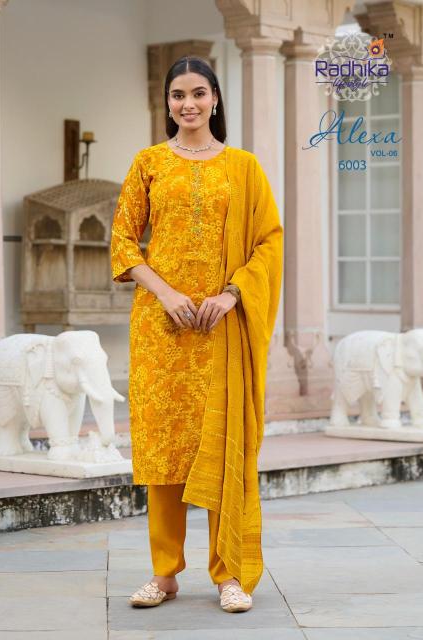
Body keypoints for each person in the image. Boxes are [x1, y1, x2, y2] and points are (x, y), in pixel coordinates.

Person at [110, 55, 283, 613]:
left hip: (221, 329)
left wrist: (231, 295)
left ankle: (228, 573)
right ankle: (164, 574)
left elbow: (269, 241)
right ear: (167, 104)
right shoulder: (148, 163)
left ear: (215, 100)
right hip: (160, 329)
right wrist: (166, 293)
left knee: (223, 445)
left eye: (198, 93)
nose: (188, 104)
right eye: (178, 95)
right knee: (164, 451)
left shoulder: (244, 167)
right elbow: (122, 243)